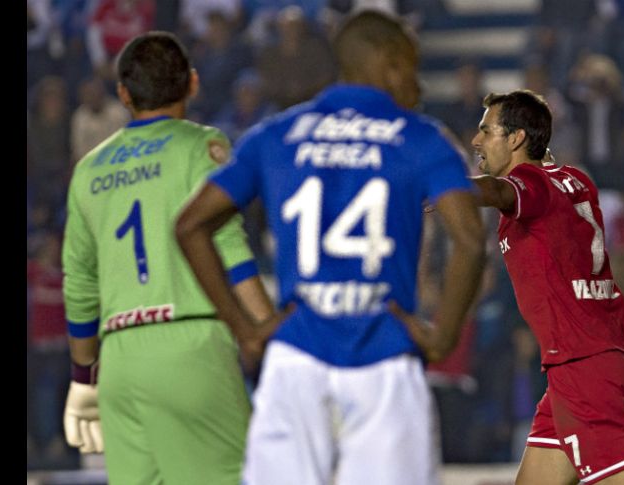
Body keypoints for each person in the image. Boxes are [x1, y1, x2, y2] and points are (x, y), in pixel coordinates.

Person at [175, 10, 486, 485]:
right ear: (385, 62)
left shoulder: (275, 135)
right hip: (384, 356)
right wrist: (443, 334)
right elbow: (469, 240)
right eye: (410, 66)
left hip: (296, 356)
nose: (417, 85)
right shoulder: (423, 138)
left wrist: (247, 330)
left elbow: (190, 225)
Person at [61, 31, 276, 485]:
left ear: (123, 94)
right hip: (190, 345)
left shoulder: (89, 170)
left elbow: (78, 285)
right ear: (193, 84)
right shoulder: (201, 146)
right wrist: (267, 336)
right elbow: (230, 250)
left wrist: (84, 377)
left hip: (118, 358)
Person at [468, 89, 624, 484]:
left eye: (486, 130)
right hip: (591, 362)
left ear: (515, 138)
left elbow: (502, 191)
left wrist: (444, 187)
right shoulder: (575, 180)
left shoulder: (528, 184)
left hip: (583, 369)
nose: (476, 141)